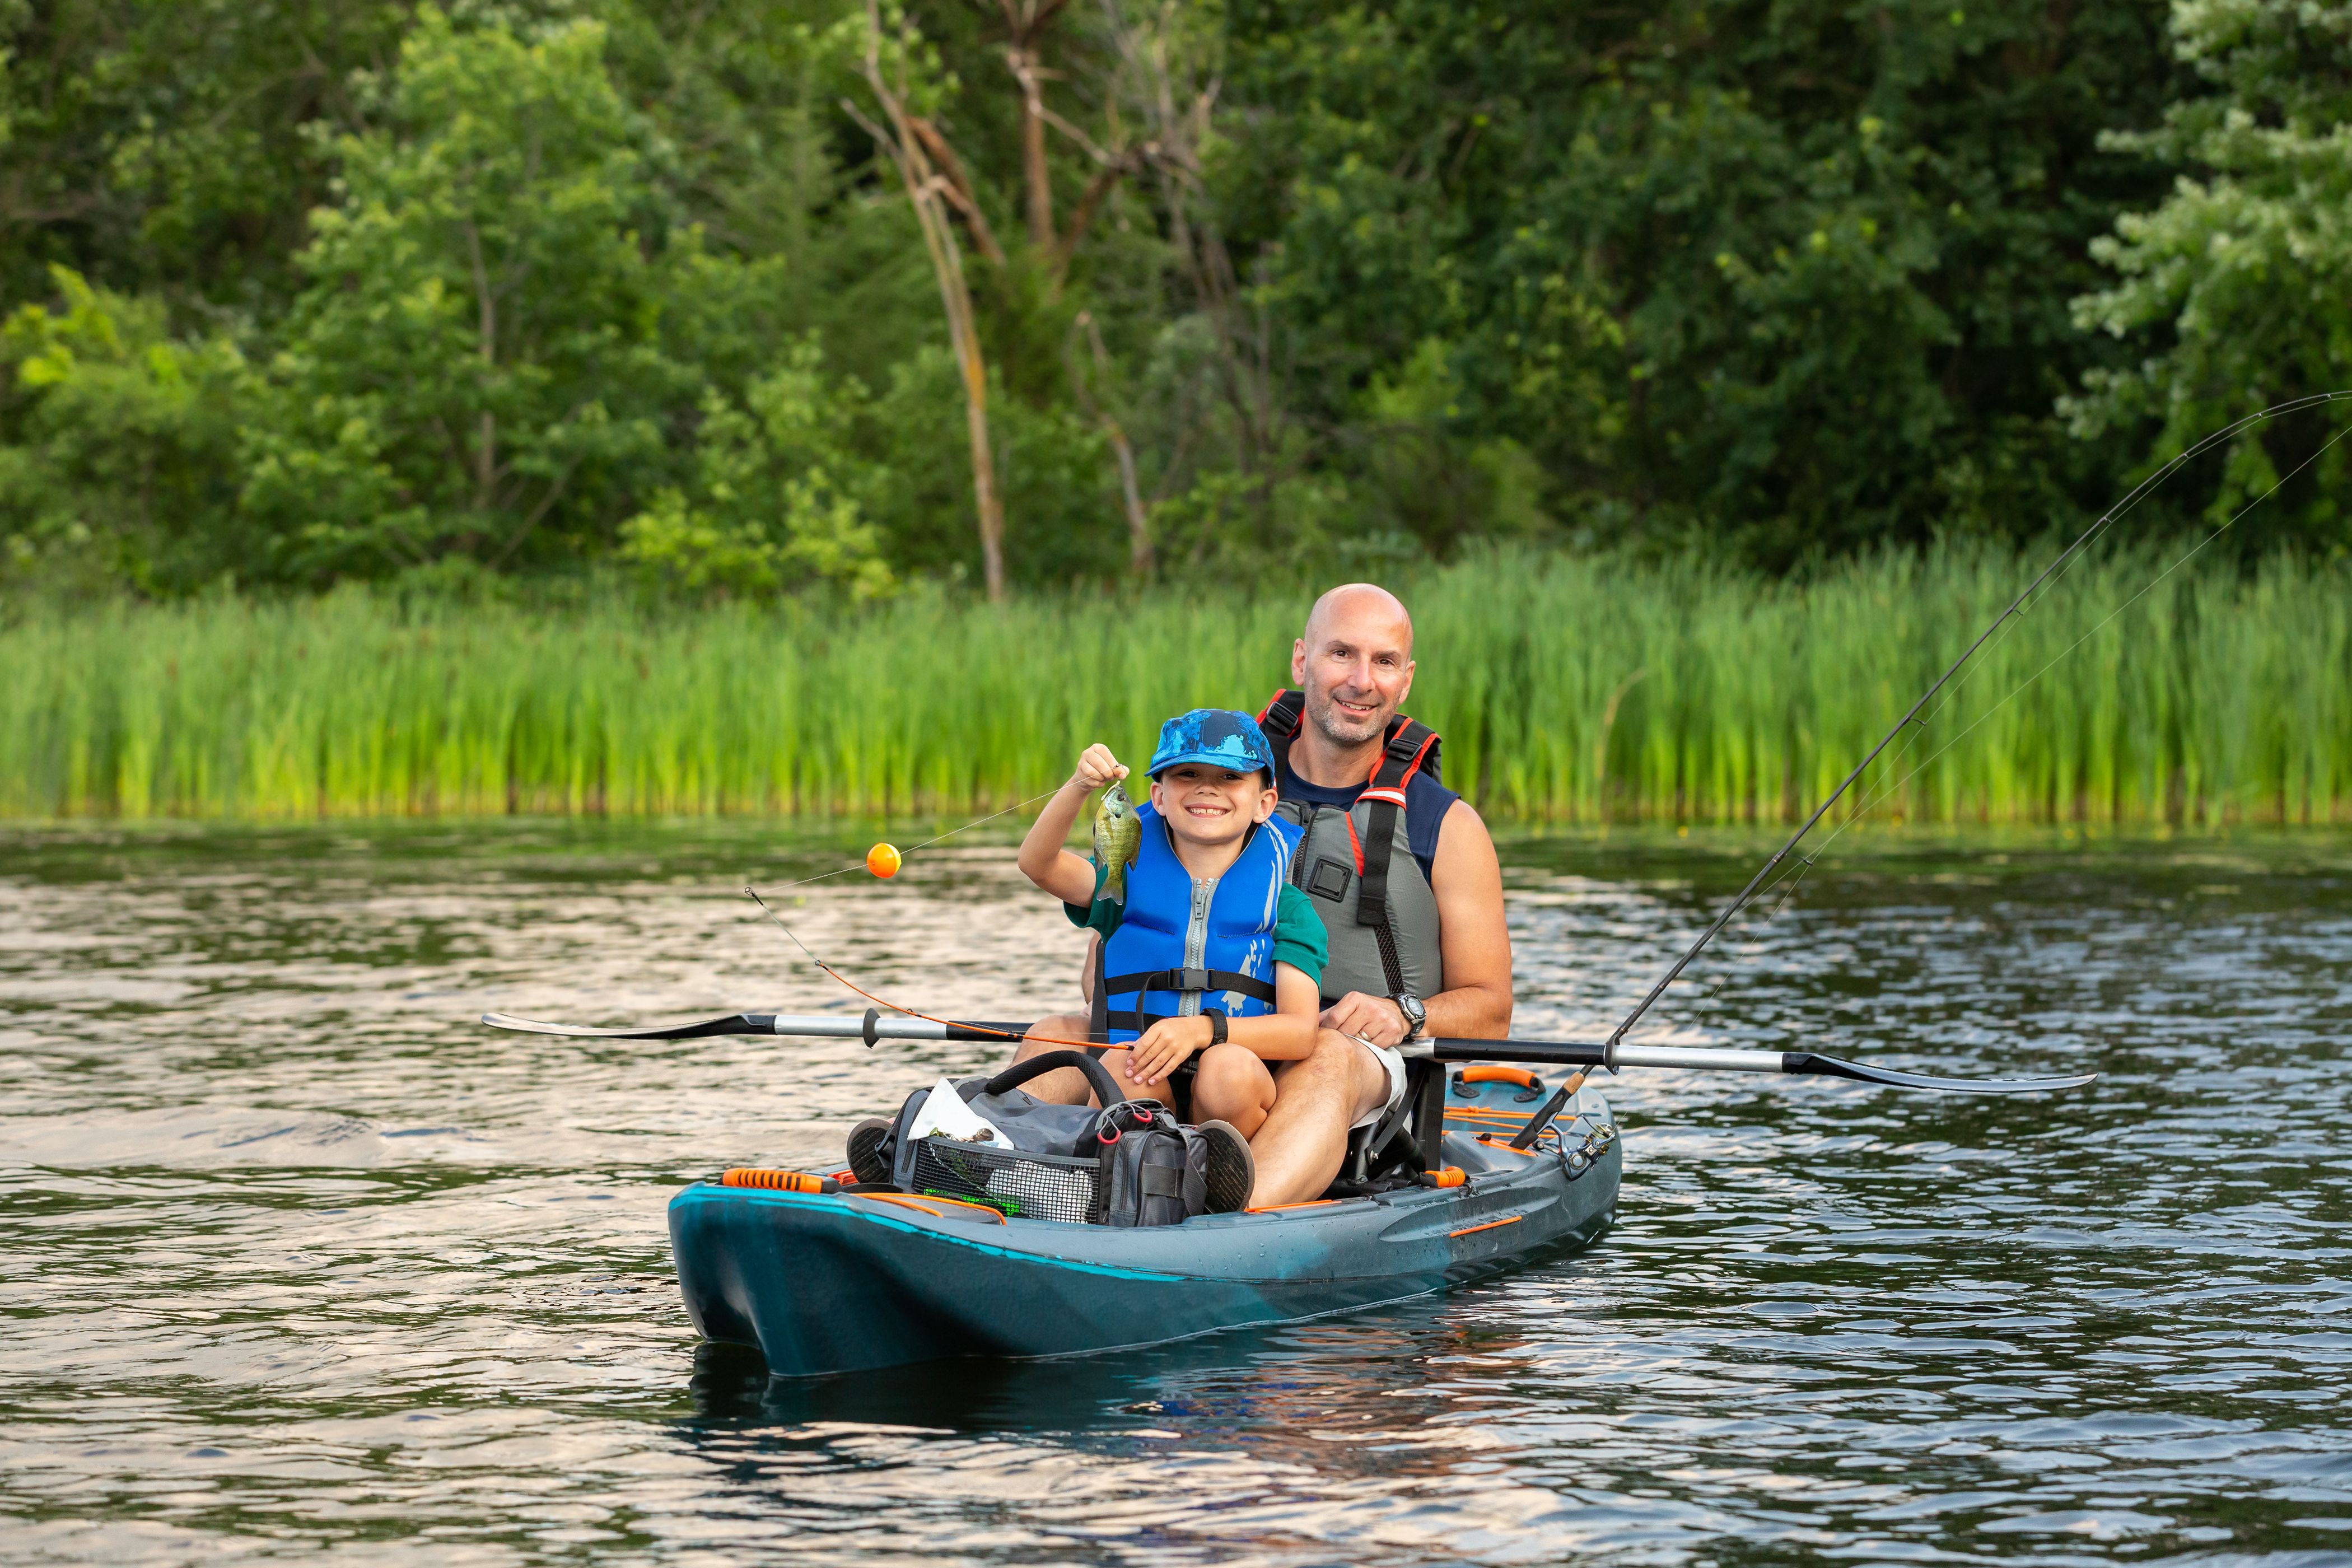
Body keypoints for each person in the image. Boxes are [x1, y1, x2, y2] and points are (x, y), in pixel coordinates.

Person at [1241, 583, 1513, 1205]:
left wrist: (1405, 1012)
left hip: (1363, 1058)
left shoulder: (1448, 826)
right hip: (1225, 1028)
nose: (1362, 680)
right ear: (1301, 661)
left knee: (1329, 1055)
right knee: (1059, 1034)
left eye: (1384, 661)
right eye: (1342, 654)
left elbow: (1492, 1009)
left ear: (1406, 679)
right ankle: (980, 1187)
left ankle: (1229, 1222)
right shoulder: (1215, 790)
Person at [1002, 709, 1329, 1212]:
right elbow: (1037, 864)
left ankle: (1215, 1189)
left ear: (1264, 802)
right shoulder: (1122, 880)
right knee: (1127, 1066)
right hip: (1140, 1062)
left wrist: (1202, 1031)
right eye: (1187, 775)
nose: (1207, 789)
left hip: (1232, 1072)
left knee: (1226, 1072)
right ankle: (1112, 1183)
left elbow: (1300, 1031)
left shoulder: (1287, 907)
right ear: (1159, 796)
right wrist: (1077, 787)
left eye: (1229, 778)